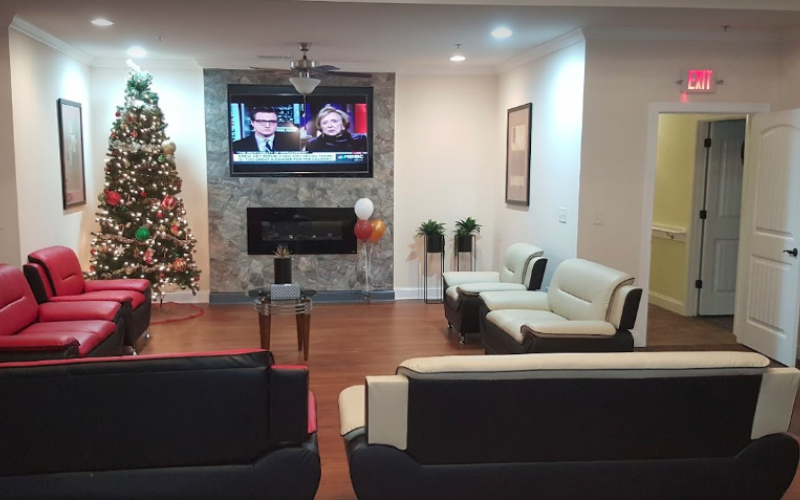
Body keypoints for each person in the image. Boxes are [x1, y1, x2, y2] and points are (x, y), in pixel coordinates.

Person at [232, 107, 298, 152]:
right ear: (252, 123)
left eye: (272, 122)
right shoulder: (237, 146)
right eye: (262, 121)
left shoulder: (292, 143)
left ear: (277, 123)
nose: (267, 125)